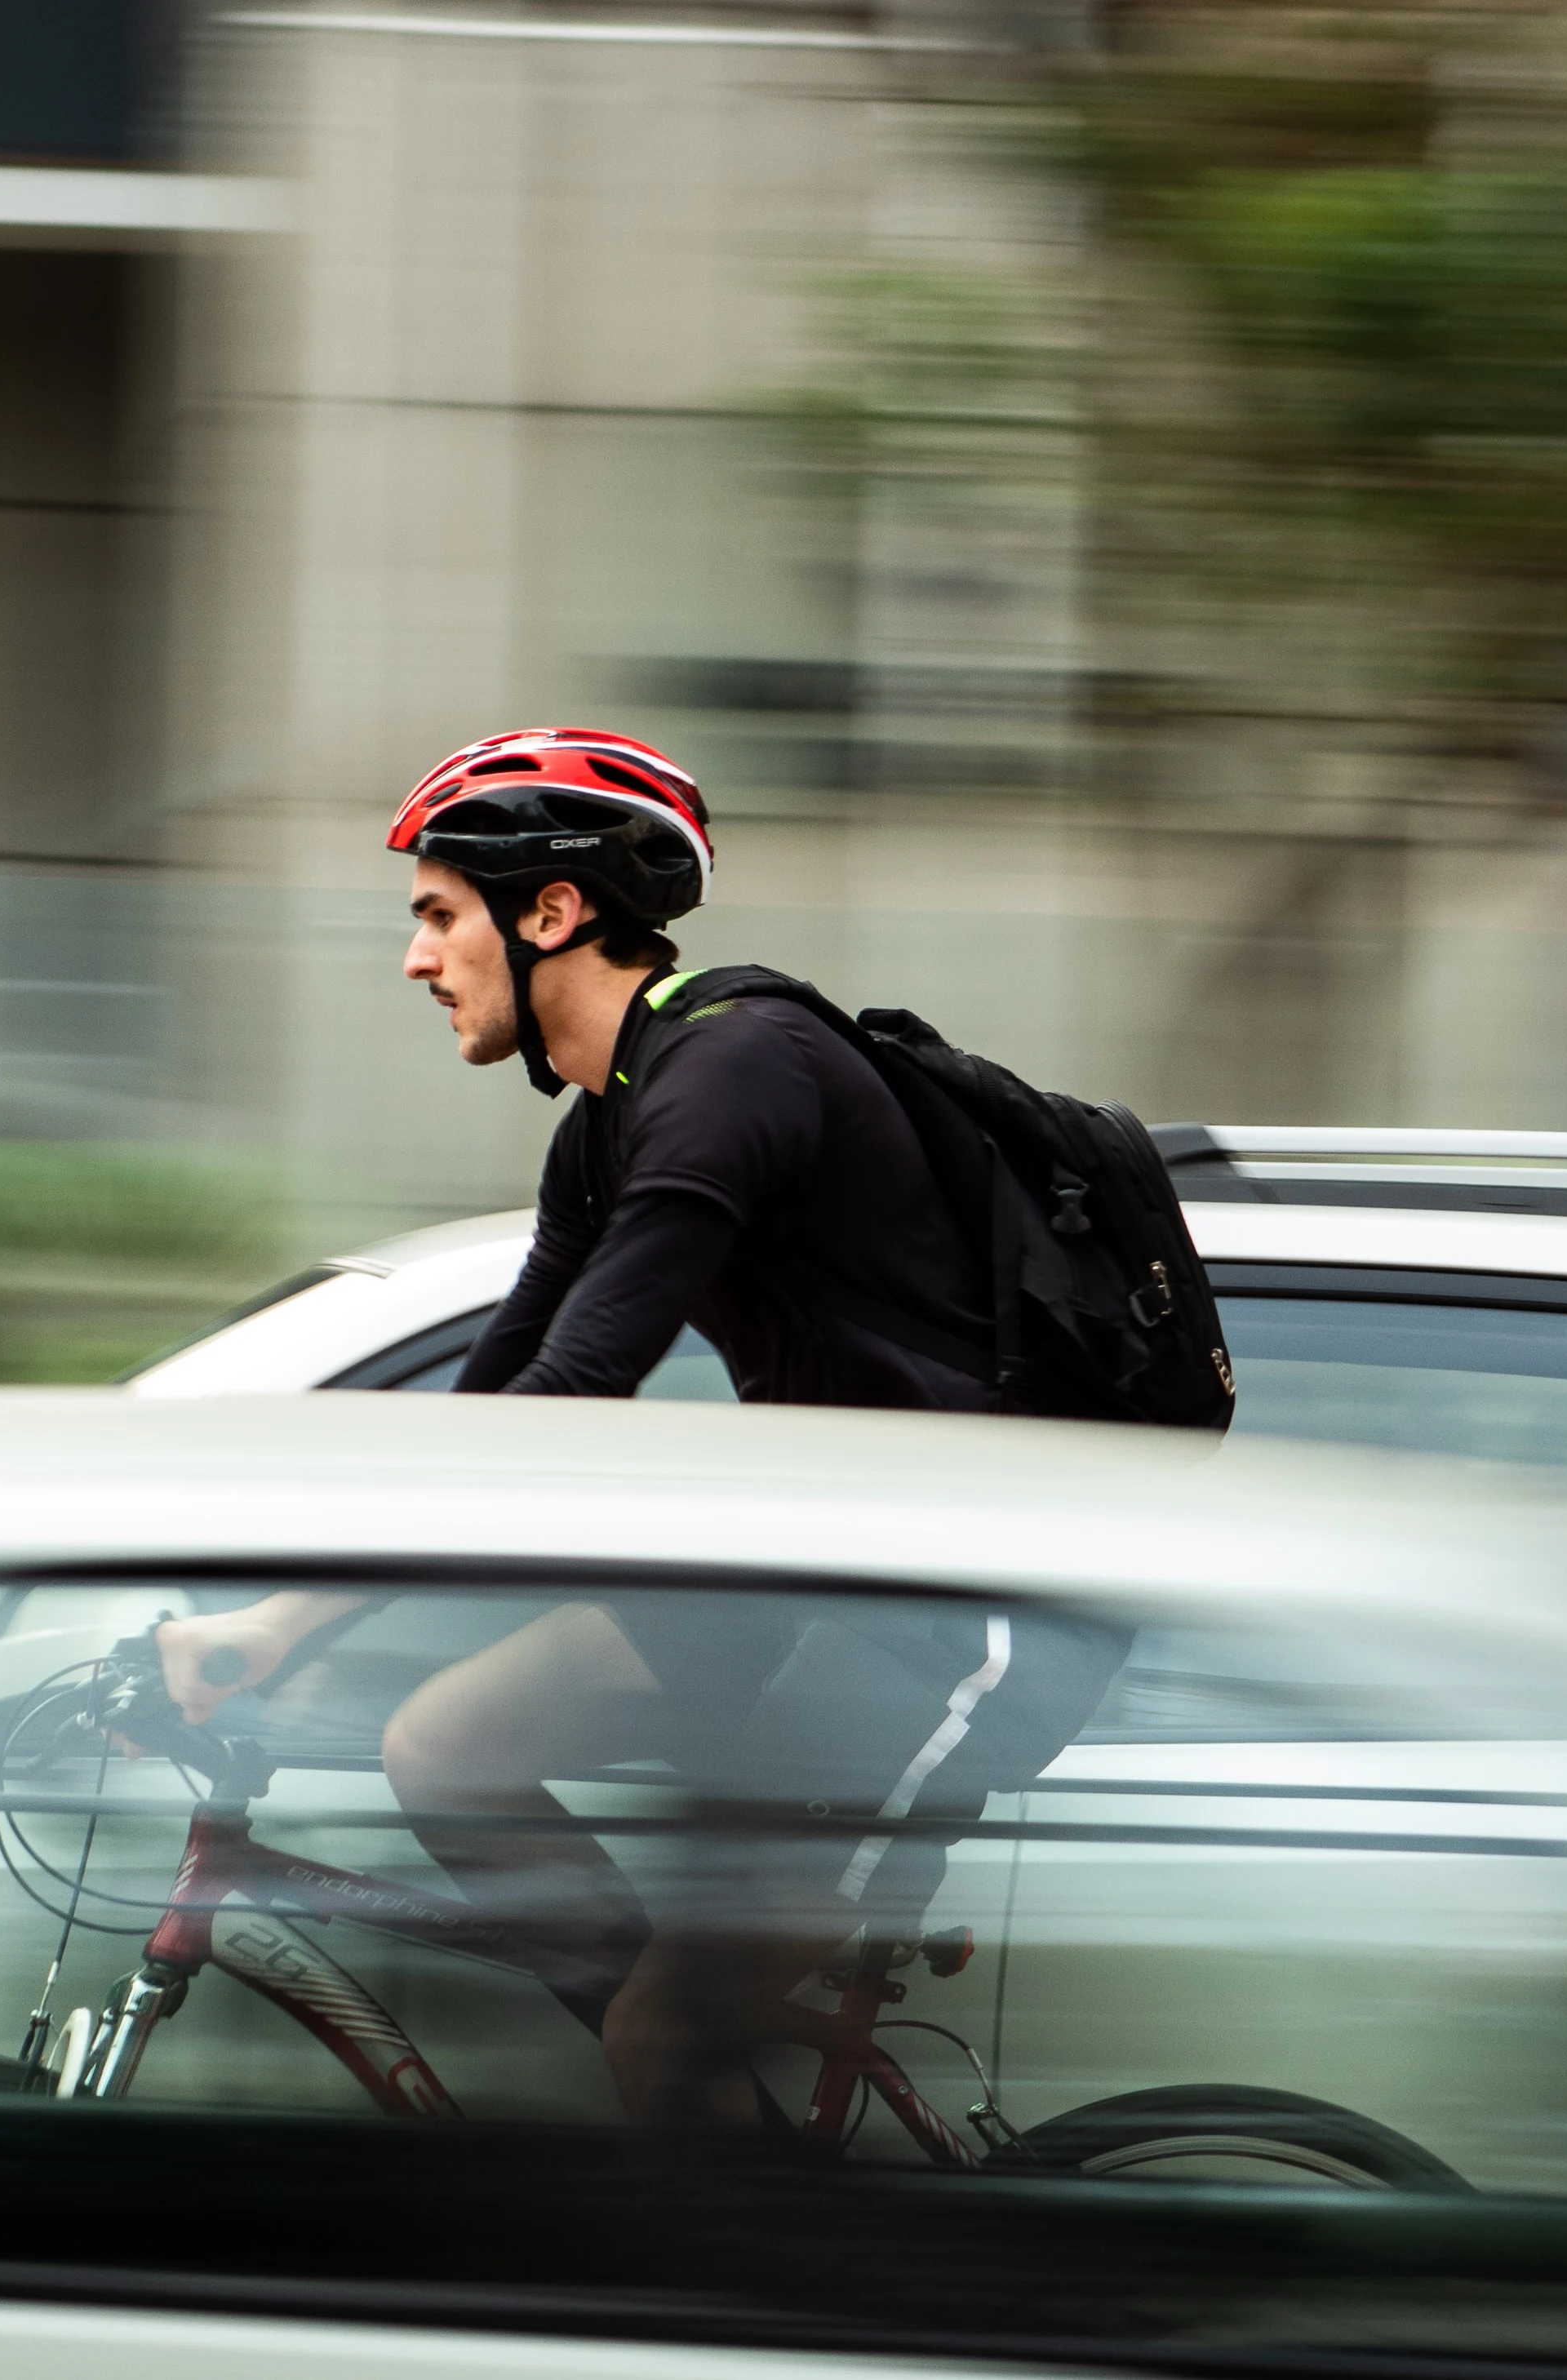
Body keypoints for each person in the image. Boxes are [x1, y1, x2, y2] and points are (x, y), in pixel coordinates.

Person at [150, 726, 1122, 2127]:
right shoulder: (602, 1128)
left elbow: (572, 1398)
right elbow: (496, 1385)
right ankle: (693, 2082)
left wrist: (289, 1623)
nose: (418, 960)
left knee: (660, 2040)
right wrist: (275, 1607)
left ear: (552, 914)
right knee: (449, 1747)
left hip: (973, 1598)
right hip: (832, 1572)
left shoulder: (736, 1072)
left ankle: (722, 2191)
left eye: (437, 916)